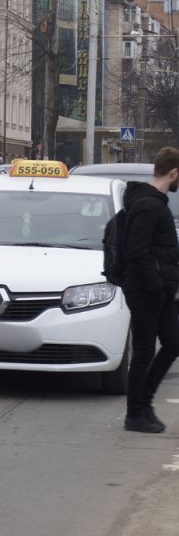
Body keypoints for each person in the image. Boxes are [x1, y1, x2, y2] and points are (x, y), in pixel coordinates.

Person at [121, 146, 179, 433]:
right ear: (174, 172)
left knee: (173, 343)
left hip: (161, 291)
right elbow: (137, 252)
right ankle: (135, 413)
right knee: (143, 351)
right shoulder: (148, 205)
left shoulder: (156, 202)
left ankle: (145, 403)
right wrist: (157, 287)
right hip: (145, 291)